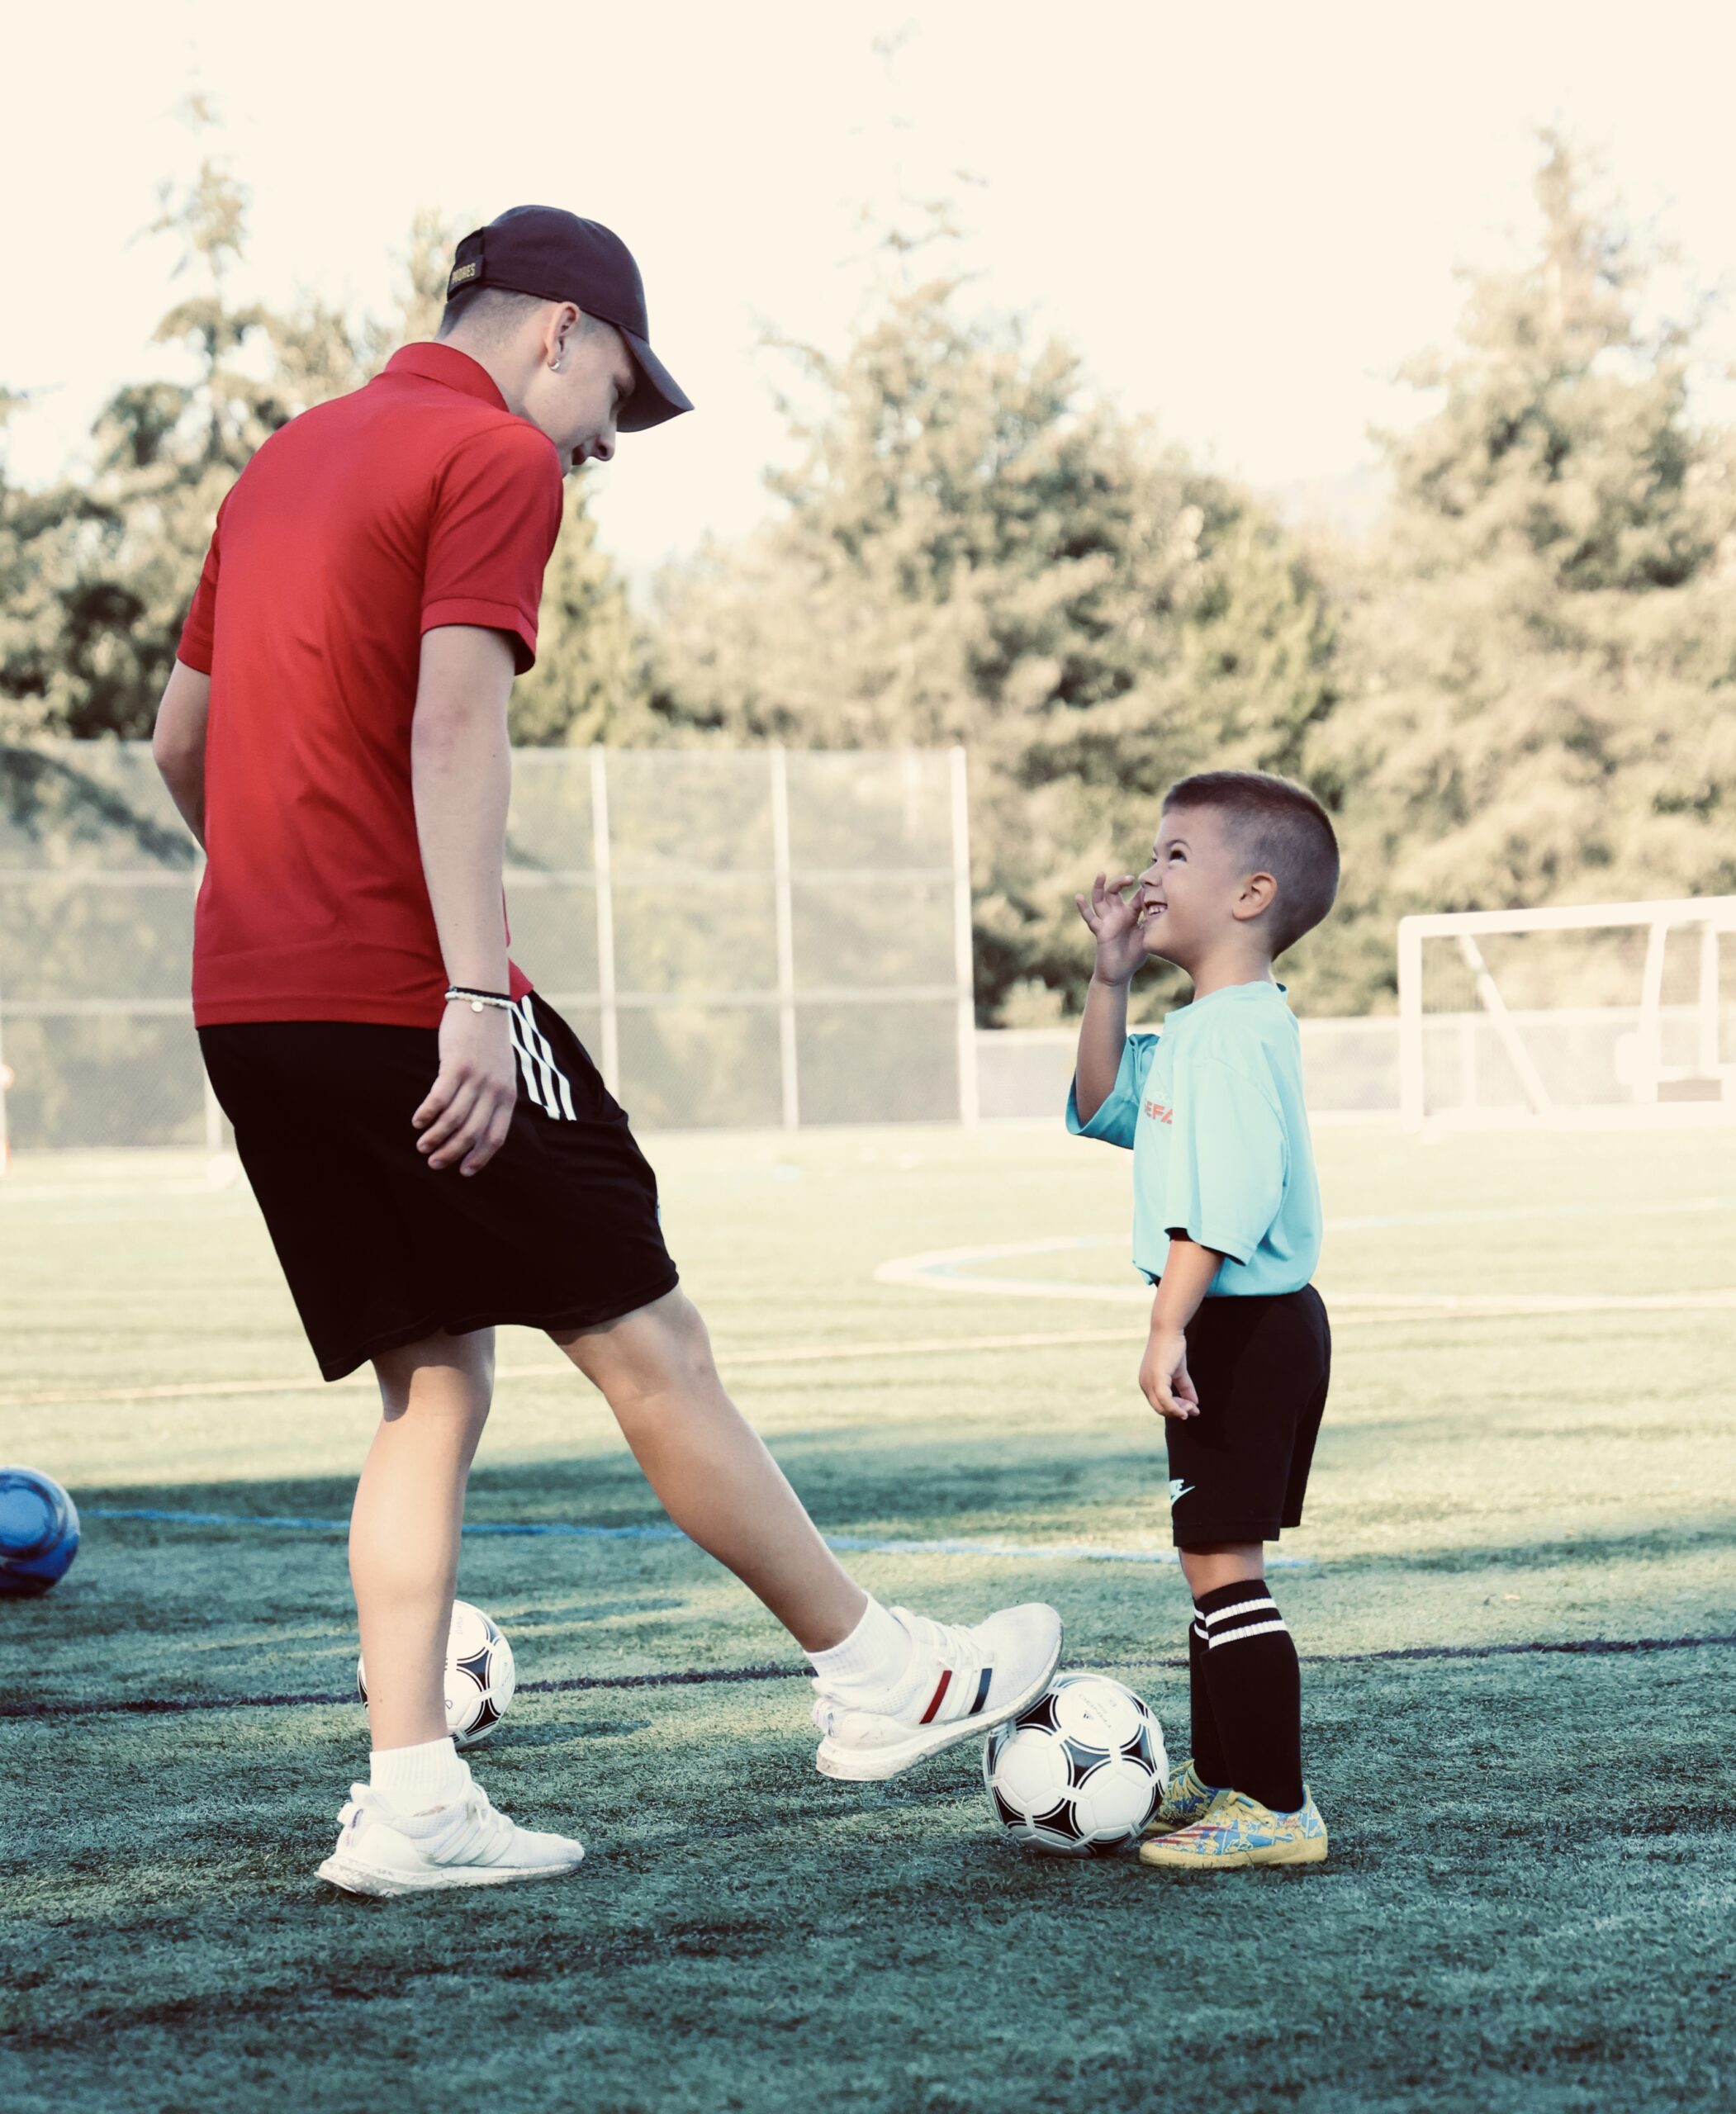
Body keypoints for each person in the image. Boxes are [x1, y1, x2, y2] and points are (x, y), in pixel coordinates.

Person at [150, 205, 1060, 1898]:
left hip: (250, 1000)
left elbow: (178, 738)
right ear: (560, 330)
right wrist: (474, 991)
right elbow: (452, 722)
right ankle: (877, 1673)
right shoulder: (492, 458)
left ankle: (413, 1796)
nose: (603, 441)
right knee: (652, 1336)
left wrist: (279, 881)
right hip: (401, 990)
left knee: (432, 1381)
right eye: (617, 399)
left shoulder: (282, 461)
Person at [1069, 770, 1338, 1870]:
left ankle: (1273, 1806)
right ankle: (1224, 1777)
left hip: (1241, 1327)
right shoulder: (1205, 1025)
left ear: (1249, 894)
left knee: (1223, 1567)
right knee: (1207, 1557)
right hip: (1243, 1325)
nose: (1147, 870)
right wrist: (1107, 978)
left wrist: (1165, 1326)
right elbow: (1099, 1105)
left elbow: (1226, 1202)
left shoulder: (1231, 1038)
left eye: (1175, 854)